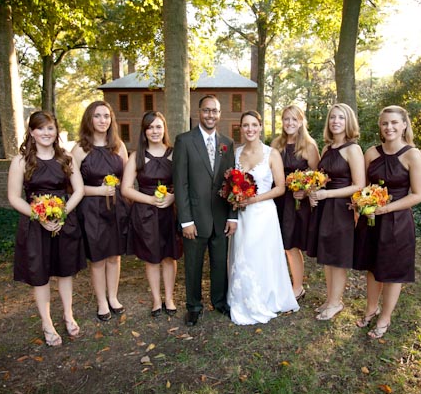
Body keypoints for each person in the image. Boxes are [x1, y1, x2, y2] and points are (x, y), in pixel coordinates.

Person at [7, 111, 86, 347]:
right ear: (32, 132)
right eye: (40, 128)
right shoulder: (21, 161)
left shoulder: (66, 158)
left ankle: (68, 315)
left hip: (64, 222)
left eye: (50, 128)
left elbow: (79, 190)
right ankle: (47, 323)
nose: (46, 133)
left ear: (56, 131)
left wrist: (63, 213)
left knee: (65, 272)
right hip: (35, 225)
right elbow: (14, 197)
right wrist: (39, 216)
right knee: (40, 275)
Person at [353, 105, 421, 339]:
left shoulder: (413, 155)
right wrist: (361, 205)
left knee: (392, 271)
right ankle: (371, 309)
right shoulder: (371, 153)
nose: (389, 127)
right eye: (385, 123)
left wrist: (385, 208)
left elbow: (418, 194)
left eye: (394, 122)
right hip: (371, 220)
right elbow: (363, 187)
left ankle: (385, 317)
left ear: (404, 125)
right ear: (380, 126)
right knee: (372, 266)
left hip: (397, 221)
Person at [228, 110, 300, 325]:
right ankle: (242, 296)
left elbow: (280, 188)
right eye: (246, 125)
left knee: (261, 256)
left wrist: (254, 199)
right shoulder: (236, 153)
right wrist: (235, 197)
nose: (250, 129)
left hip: (263, 214)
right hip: (242, 215)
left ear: (260, 127)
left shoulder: (272, 154)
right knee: (242, 253)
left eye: (254, 125)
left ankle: (266, 296)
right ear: (241, 128)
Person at [173, 95, 237, 326]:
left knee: (220, 263)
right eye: (206, 110)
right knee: (193, 265)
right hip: (195, 217)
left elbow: (232, 182)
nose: (210, 115)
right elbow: (180, 183)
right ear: (199, 112)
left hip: (220, 217)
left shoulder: (227, 143)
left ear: (220, 114)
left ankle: (219, 302)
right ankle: (193, 306)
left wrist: (232, 216)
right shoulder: (184, 141)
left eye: (215, 111)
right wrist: (186, 220)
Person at [71, 101, 128, 322]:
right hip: (91, 210)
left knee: (114, 256)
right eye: (97, 116)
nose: (102, 120)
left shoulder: (119, 146)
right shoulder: (79, 150)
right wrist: (99, 190)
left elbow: (126, 180)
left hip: (116, 208)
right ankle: (102, 302)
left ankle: (113, 297)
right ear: (89, 119)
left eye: (106, 116)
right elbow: (72, 187)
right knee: (98, 258)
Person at [122, 111, 182, 317]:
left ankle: (169, 298)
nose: (154, 131)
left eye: (158, 127)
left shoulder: (175, 154)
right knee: (152, 258)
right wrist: (150, 200)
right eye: (150, 127)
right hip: (146, 213)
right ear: (144, 131)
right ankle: (157, 299)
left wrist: (173, 197)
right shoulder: (136, 156)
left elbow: (184, 183)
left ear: (164, 129)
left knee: (169, 257)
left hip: (170, 212)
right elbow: (126, 189)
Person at [308, 103, 365, 320]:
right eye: (332, 117)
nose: (336, 121)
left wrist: (327, 194)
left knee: (338, 256)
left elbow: (359, 185)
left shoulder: (353, 149)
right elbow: (321, 179)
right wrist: (314, 192)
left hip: (341, 208)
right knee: (327, 254)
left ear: (348, 121)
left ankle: (336, 302)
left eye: (341, 117)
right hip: (324, 207)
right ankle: (330, 299)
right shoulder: (327, 149)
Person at [271, 104, 320, 301]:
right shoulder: (276, 144)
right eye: (286, 119)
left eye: (294, 119)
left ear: (301, 122)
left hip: (296, 204)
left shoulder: (309, 146)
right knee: (277, 243)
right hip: (277, 200)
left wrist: (305, 191)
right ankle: (279, 283)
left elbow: (318, 177)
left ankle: (297, 287)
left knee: (291, 246)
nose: (290, 123)